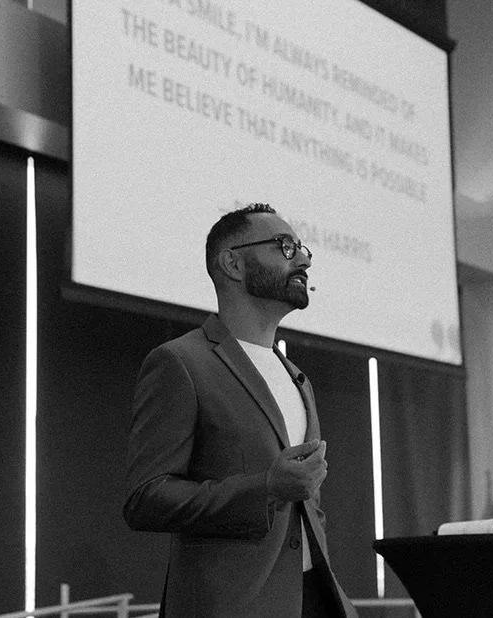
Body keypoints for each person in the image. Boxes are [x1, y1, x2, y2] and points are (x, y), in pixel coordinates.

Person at [123, 203, 357, 618]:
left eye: (303, 248)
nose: (302, 258)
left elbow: (309, 504)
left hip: (313, 599)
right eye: (285, 247)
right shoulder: (180, 362)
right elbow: (146, 499)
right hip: (233, 606)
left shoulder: (297, 377)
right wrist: (266, 487)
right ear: (232, 263)